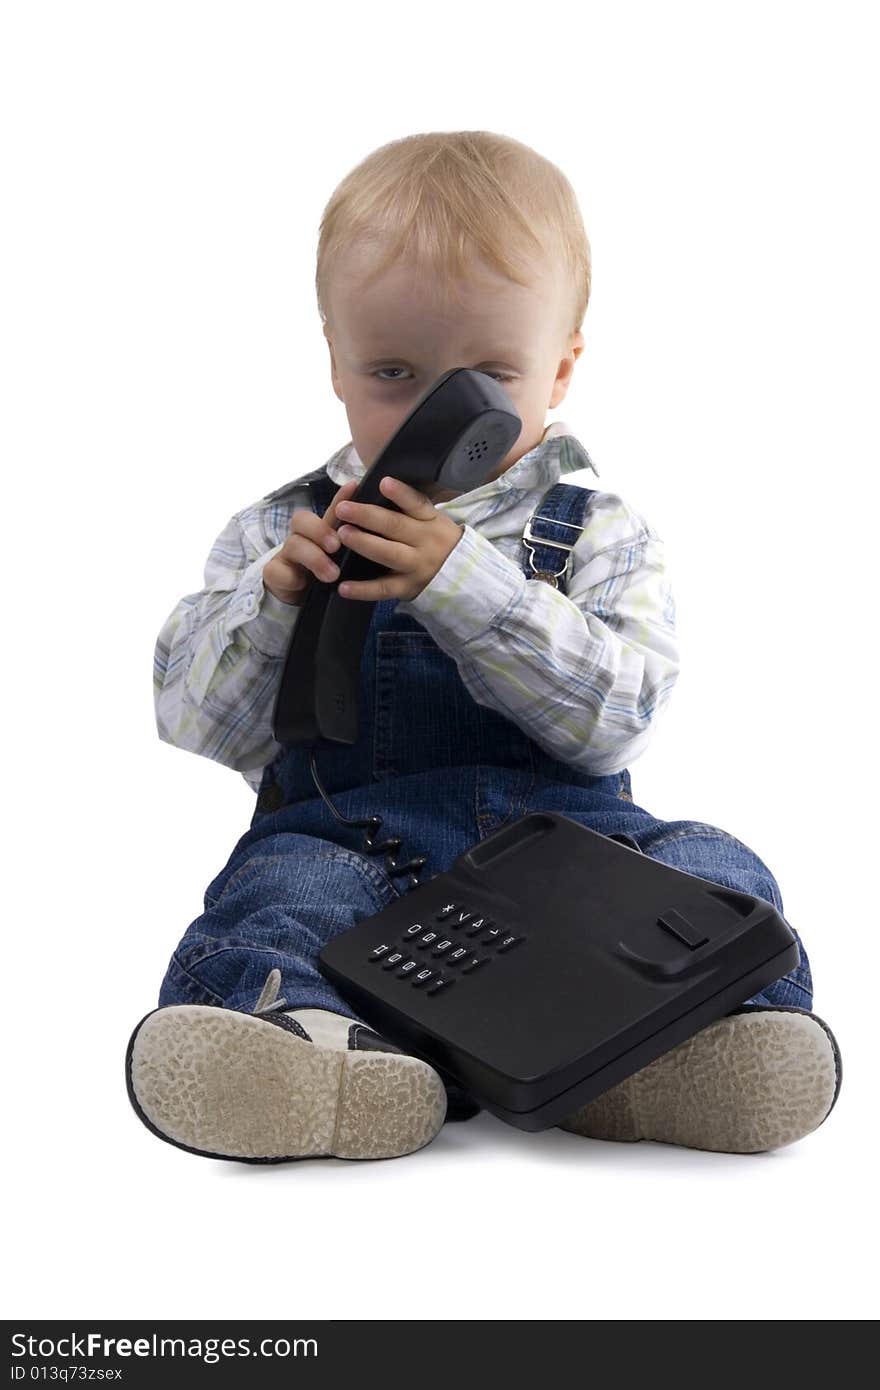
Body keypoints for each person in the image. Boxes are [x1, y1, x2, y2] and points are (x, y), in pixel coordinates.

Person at [126, 130, 841, 1165]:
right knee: (279, 895)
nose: (433, 412)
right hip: (352, 849)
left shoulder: (595, 532)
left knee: (713, 870)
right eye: (392, 371)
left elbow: (615, 721)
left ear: (559, 369)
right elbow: (190, 723)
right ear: (332, 360)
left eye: (488, 375)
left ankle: (678, 1055)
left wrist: (463, 581)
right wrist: (275, 602)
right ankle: (319, 1060)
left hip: (570, 860)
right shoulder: (274, 531)